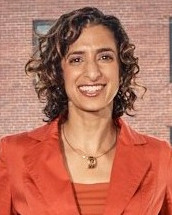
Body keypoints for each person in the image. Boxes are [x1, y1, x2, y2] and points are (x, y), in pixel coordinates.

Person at [0, 6, 171, 215]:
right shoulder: (12, 154)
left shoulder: (160, 156)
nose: (92, 73)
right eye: (76, 59)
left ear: (121, 67)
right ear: (59, 72)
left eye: (105, 57)